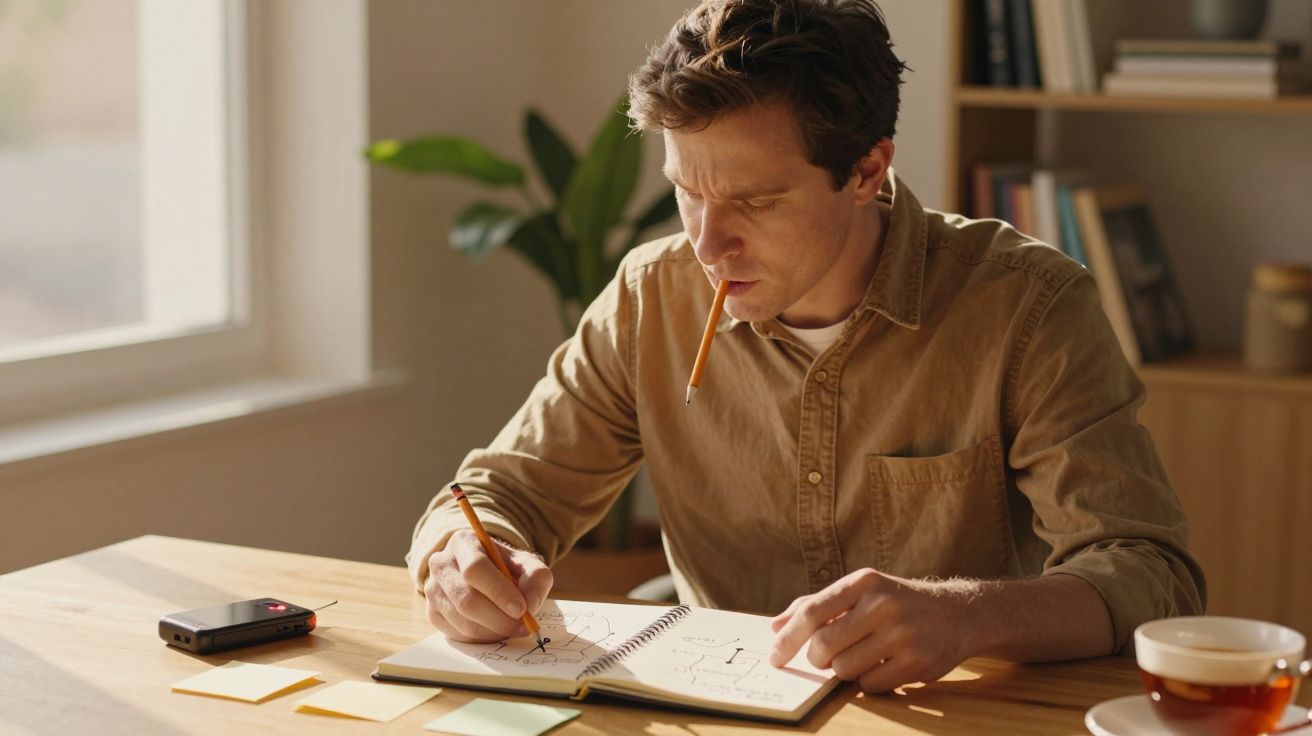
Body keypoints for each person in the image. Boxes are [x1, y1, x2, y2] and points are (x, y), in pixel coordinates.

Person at [407, 0, 1205, 693]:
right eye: (687, 193)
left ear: (866, 169)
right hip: (718, 709)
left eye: (753, 200)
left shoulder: (1026, 307)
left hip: (959, 708)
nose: (710, 243)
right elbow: (494, 495)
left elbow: (1147, 570)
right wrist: (463, 558)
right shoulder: (653, 296)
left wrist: (965, 616)